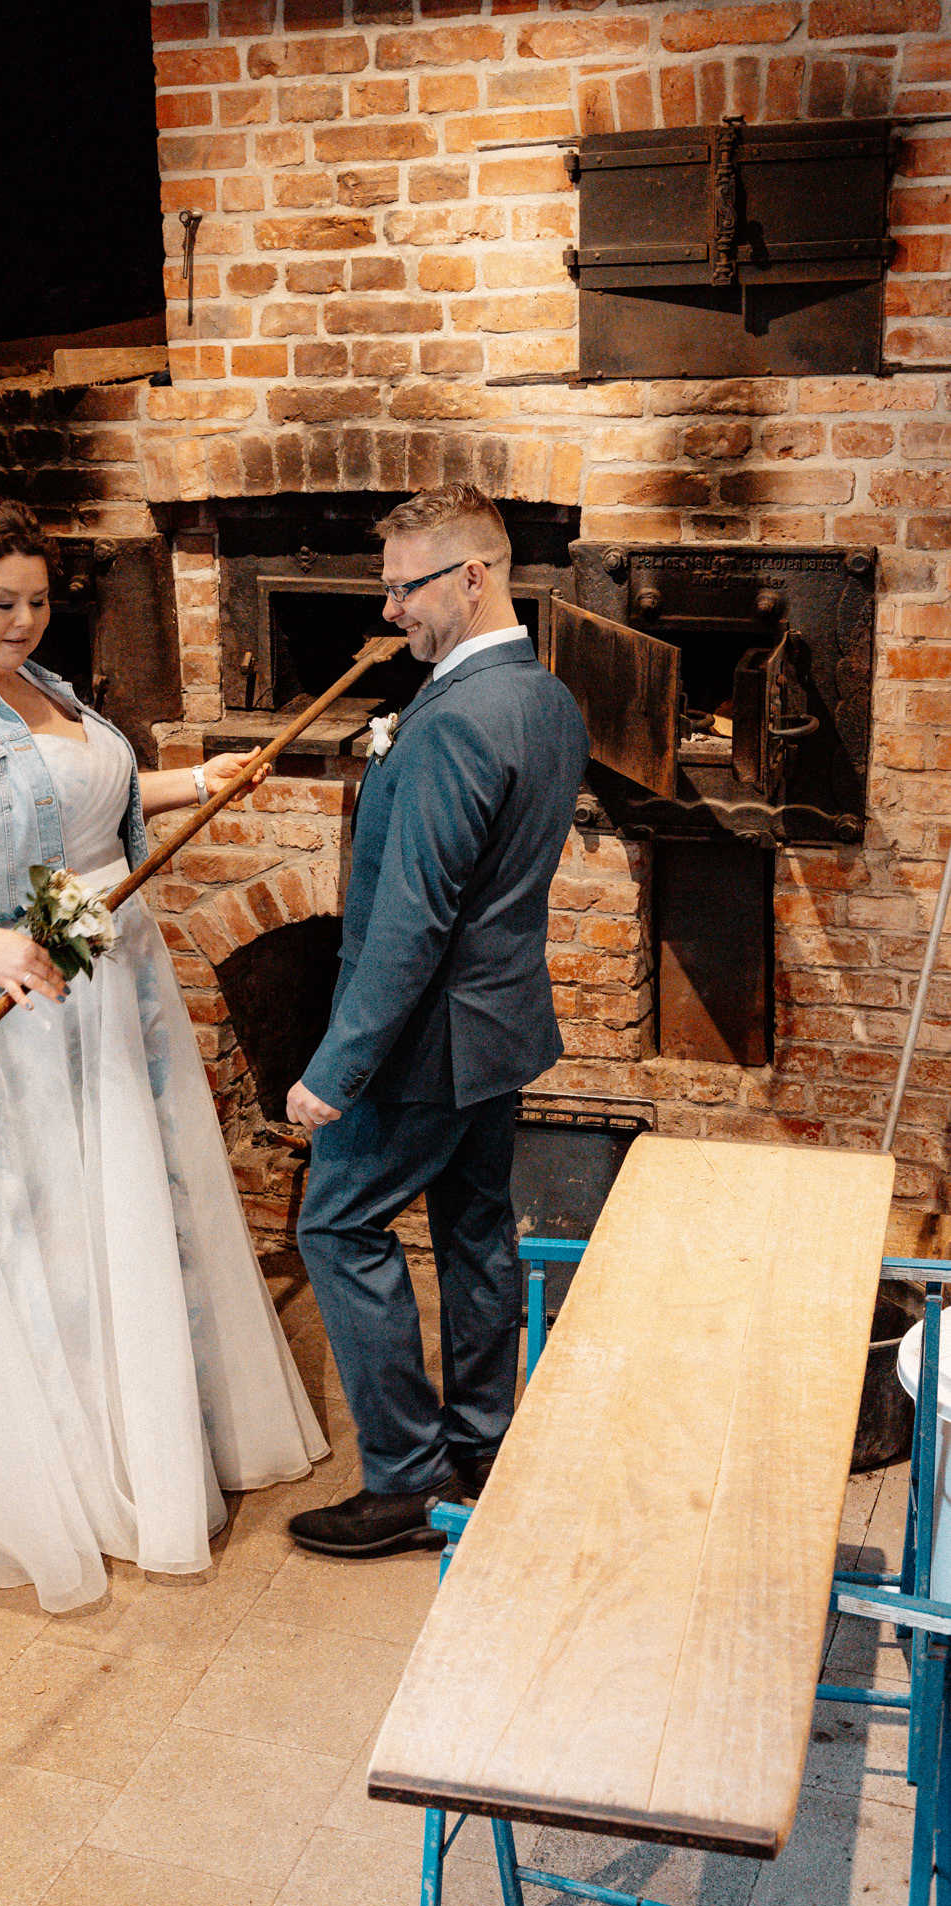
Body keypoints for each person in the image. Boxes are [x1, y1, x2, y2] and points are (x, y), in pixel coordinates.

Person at [0, 501, 326, 1612]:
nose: (26, 620)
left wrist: (200, 781)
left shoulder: (52, 687)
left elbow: (99, 800)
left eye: (38, 600)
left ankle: (135, 1438)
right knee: (20, 1218)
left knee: (111, 1210)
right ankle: (42, 1471)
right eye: (3, 602)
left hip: (106, 991)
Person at [284, 484, 588, 1559]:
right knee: (471, 1226)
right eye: (385, 588)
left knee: (336, 1222)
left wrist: (336, 1068)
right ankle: (484, 1442)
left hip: (423, 1044)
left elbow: (413, 921)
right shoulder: (545, 696)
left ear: (475, 573)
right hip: (498, 1029)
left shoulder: (457, 719)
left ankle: (408, 1478)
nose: (390, 611)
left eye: (406, 587)